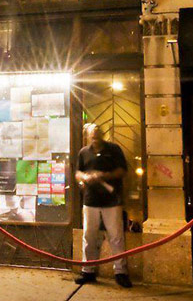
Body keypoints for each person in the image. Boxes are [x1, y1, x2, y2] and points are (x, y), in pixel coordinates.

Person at [75, 123, 131, 288]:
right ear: (88, 136)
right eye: (92, 135)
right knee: (89, 236)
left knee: (116, 236)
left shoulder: (114, 150)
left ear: (102, 135)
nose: (95, 137)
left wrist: (104, 175)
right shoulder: (83, 152)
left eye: (98, 134)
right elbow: (78, 172)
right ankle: (88, 271)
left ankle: (121, 272)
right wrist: (84, 178)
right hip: (90, 200)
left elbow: (122, 170)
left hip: (111, 201)